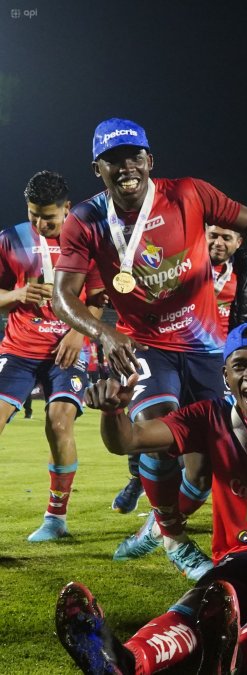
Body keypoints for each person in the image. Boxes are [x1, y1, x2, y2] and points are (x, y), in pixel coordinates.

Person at [51, 117, 247, 580]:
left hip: (208, 349)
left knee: (202, 467)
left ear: (150, 160)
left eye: (133, 156)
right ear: (97, 169)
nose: (125, 166)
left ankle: (159, 525)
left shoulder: (189, 193)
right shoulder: (85, 221)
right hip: (144, 346)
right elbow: (62, 296)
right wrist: (104, 332)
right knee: (157, 430)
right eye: (112, 160)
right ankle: (173, 536)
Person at [55, 322, 247, 673]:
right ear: (225, 375)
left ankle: (238, 656)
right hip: (242, 554)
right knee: (206, 600)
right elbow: (128, 441)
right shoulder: (210, 416)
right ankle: (125, 661)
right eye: (240, 366)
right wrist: (115, 411)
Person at [1, 171, 106, 542]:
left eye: (48, 217)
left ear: (67, 208)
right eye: (33, 214)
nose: (40, 223)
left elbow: (97, 301)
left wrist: (79, 333)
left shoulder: (85, 240)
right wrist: (15, 296)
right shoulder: (10, 239)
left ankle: (55, 519)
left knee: (59, 421)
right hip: (19, 349)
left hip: (67, 348)